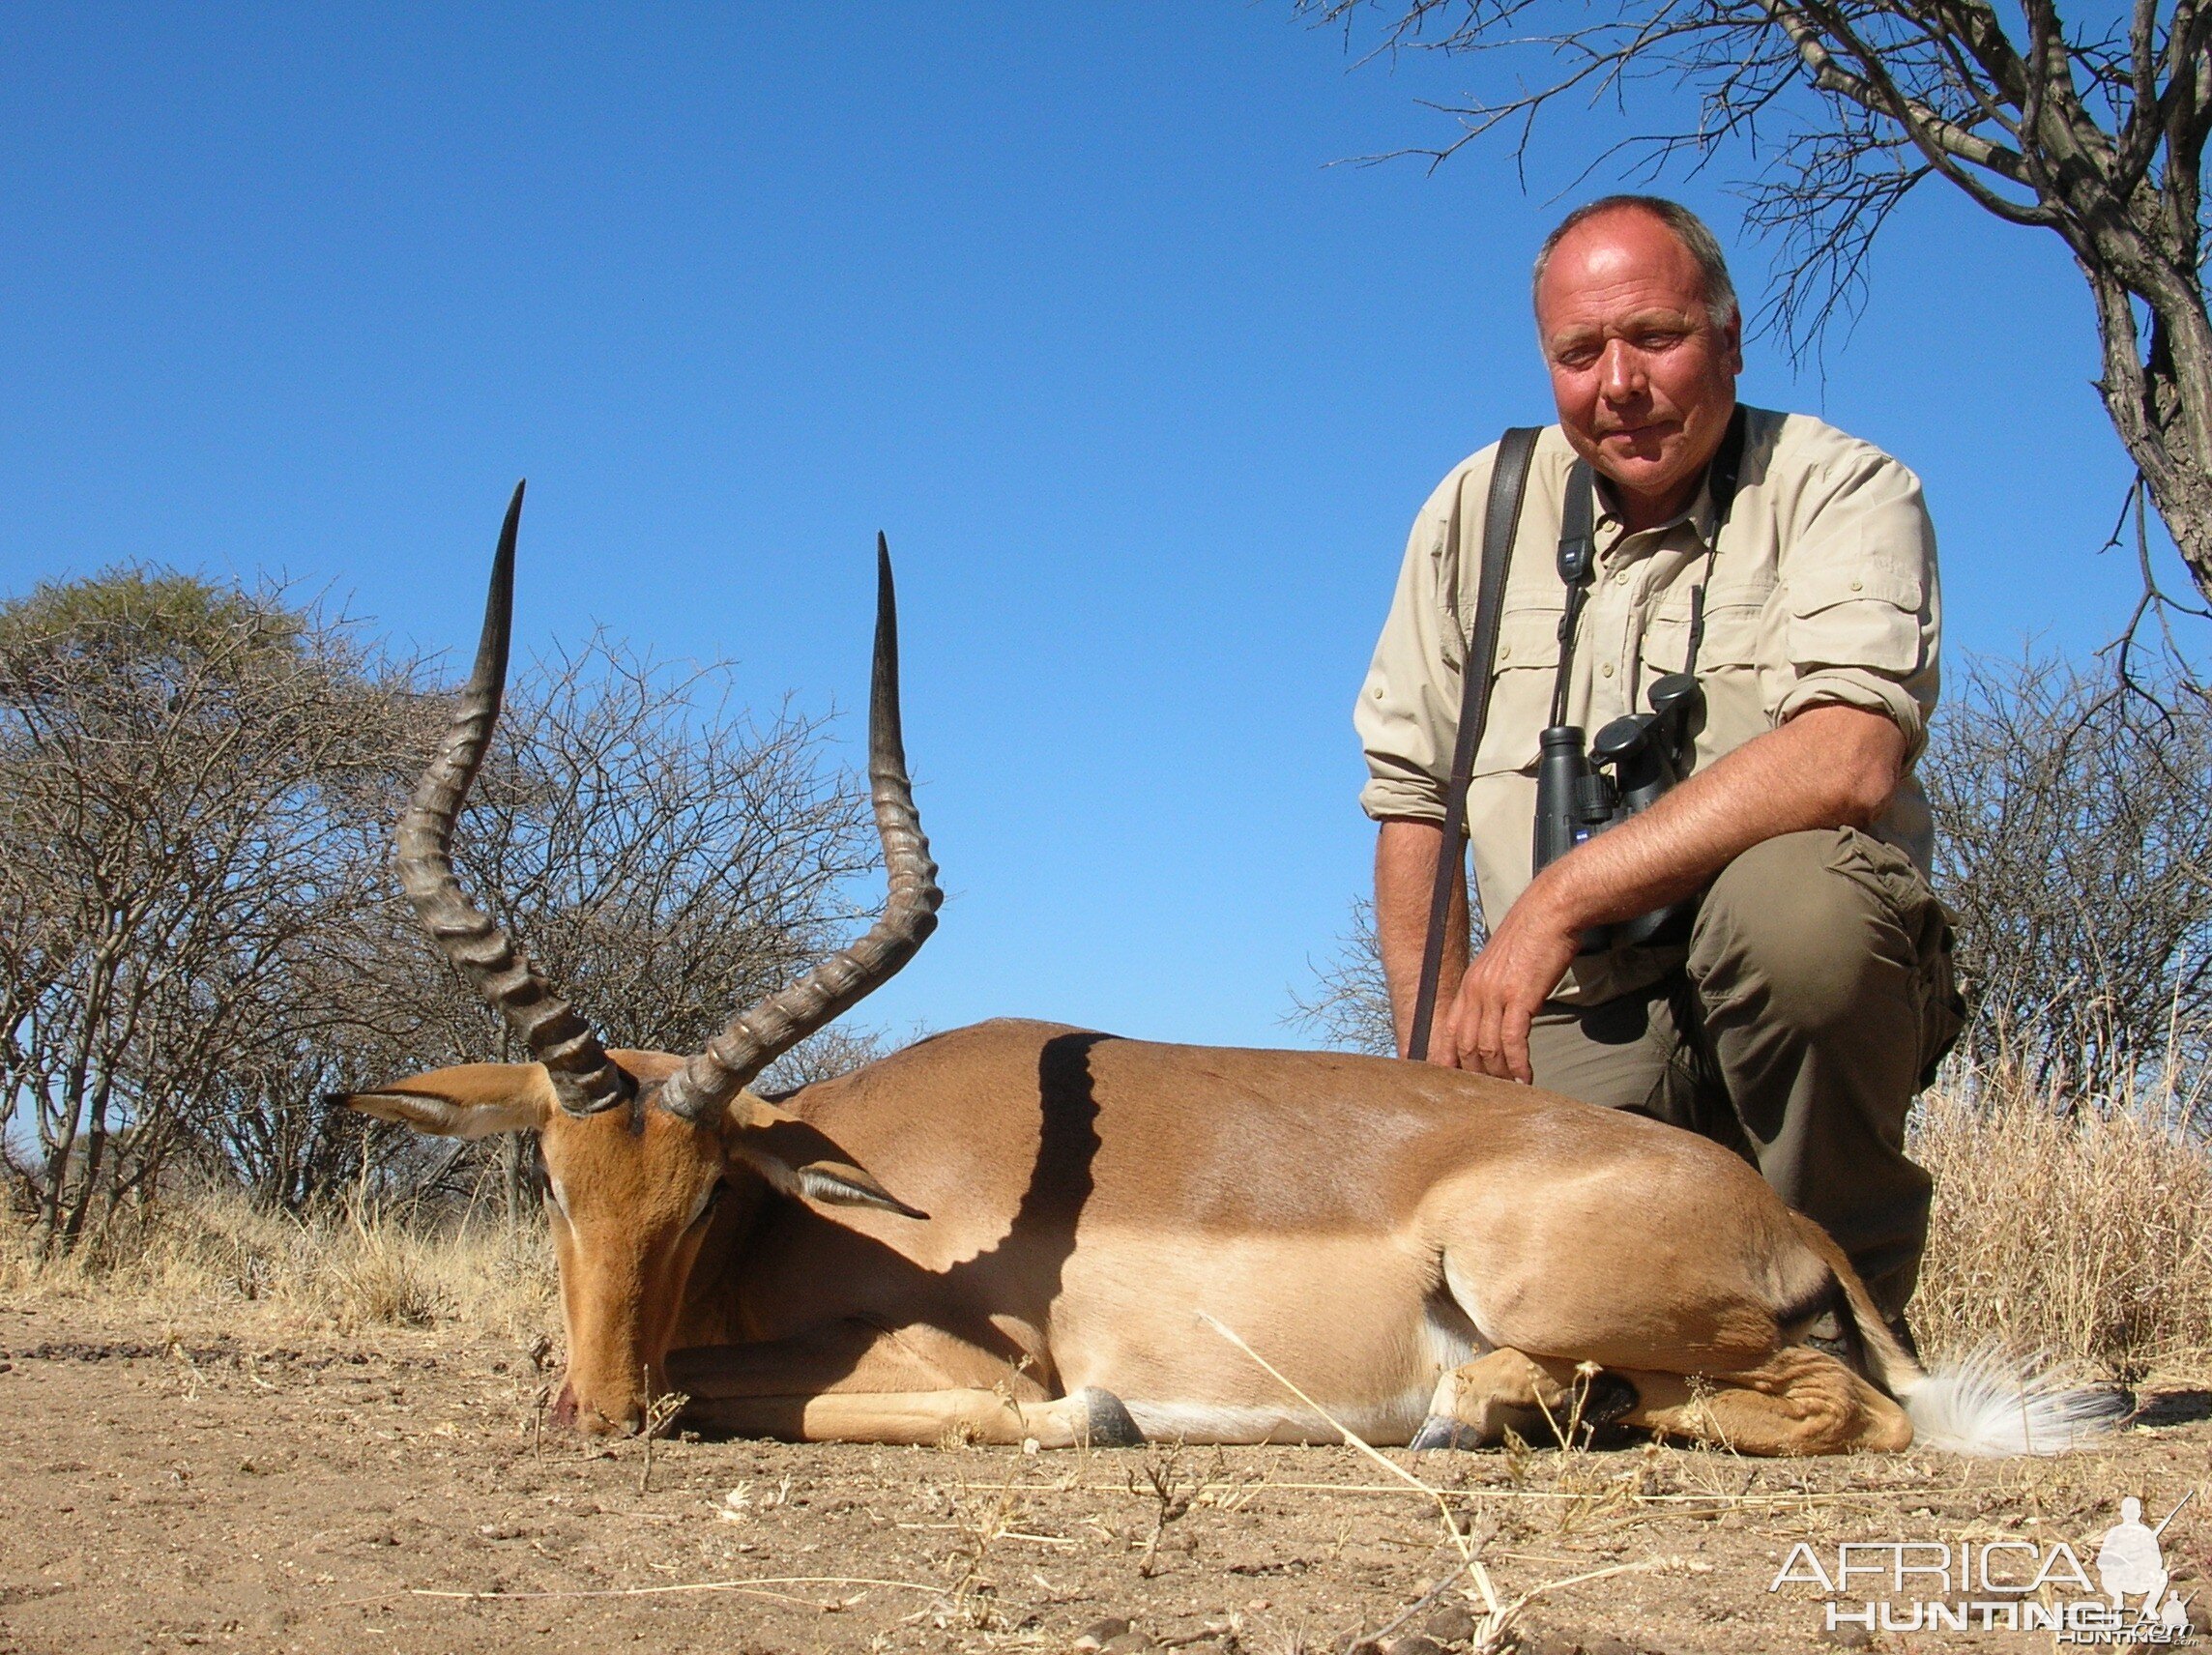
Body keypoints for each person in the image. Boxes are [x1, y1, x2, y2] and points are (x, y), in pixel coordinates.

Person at [1354, 195, 1962, 1323]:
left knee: (1801, 911)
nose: (1617, 383)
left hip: (1775, 979)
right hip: (1585, 1005)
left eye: (1655, 336)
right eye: (1578, 353)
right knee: (1508, 1284)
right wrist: (1428, 1073)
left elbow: (1848, 755)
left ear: (1728, 339)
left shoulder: (1839, 485)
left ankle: (1843, 1322)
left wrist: (1552, 902)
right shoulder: (1476, 509)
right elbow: (1412, 801)